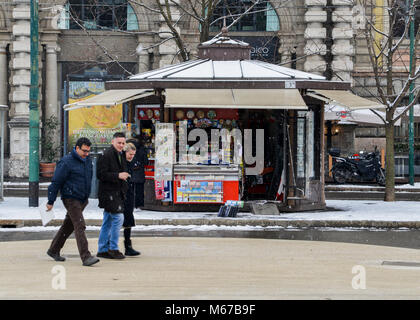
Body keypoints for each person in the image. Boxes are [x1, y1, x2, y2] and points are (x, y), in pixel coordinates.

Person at [46, 137, 100, 267]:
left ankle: (53, 250)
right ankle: (86, 257)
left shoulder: (87, 161)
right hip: (70, 197)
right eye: (84, 151)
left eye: (88, 151)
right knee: (79, 225)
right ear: (77, 148)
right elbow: (56, 182)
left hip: (82, 198)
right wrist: (50, 200)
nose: (86, 154)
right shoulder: (66, 162)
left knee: (68, 225)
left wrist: (86, 196)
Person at [96, 132, 129, 260]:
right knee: (118, 218)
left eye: (123, 143)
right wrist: (118, 176)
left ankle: (103, 249)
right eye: (119, 143)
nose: (121, 145)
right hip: (110, 193)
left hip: (115, 191)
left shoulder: (119, 154)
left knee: (108, 220)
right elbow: (100, 174)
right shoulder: (107, 155)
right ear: (112, 142)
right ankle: (113, 248)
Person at [122, 142, 141, 256]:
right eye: (130, 154)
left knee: (128, 220)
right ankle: (110, 246)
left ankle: (128, 246)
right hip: (122, 195)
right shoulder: (121, 163)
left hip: (129, 194)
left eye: (133, 154)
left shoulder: (131, 162)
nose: (131, 156)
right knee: (116, 221)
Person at [128, 136, 148, 210]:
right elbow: (146, 162)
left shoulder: (128, 148)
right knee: (139, 190)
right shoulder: (142, 149)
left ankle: (131, 204)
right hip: (140, 173)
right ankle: (138, 205)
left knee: (130, 190)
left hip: (130, 172)